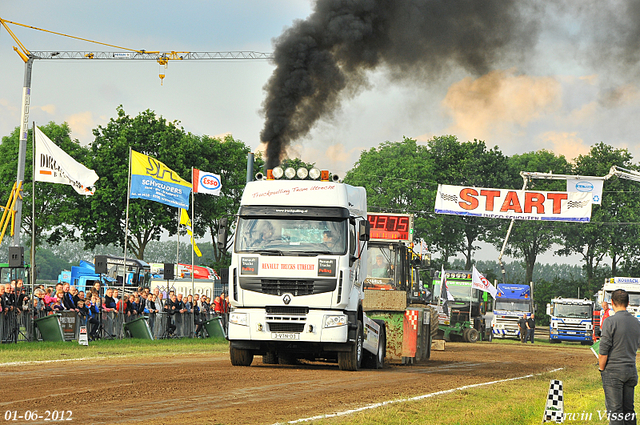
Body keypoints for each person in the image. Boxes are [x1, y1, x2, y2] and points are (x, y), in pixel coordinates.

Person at [599, 289, 640, 425]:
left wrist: (601, 368)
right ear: (628, 303)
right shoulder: (636, 322)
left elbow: (603, 350)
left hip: (613, 372)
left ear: (612, 303)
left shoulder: (609, 322)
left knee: (615, 412)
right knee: (629, 411)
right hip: (631, 371)